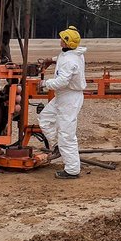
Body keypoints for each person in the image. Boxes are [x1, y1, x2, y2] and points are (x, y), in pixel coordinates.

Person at [38, 25, 87, 179]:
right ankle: (58, 146)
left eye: (62, 39)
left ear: (67, 42)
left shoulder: (70, 61)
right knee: (45, 119)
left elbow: (61, 82)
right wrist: (50, 60)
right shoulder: (72, 54)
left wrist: (45, 83)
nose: (60, 40)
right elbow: (62, 57)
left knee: (67, 134)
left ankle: (72, 170)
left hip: (69, 98)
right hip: (63, 96)